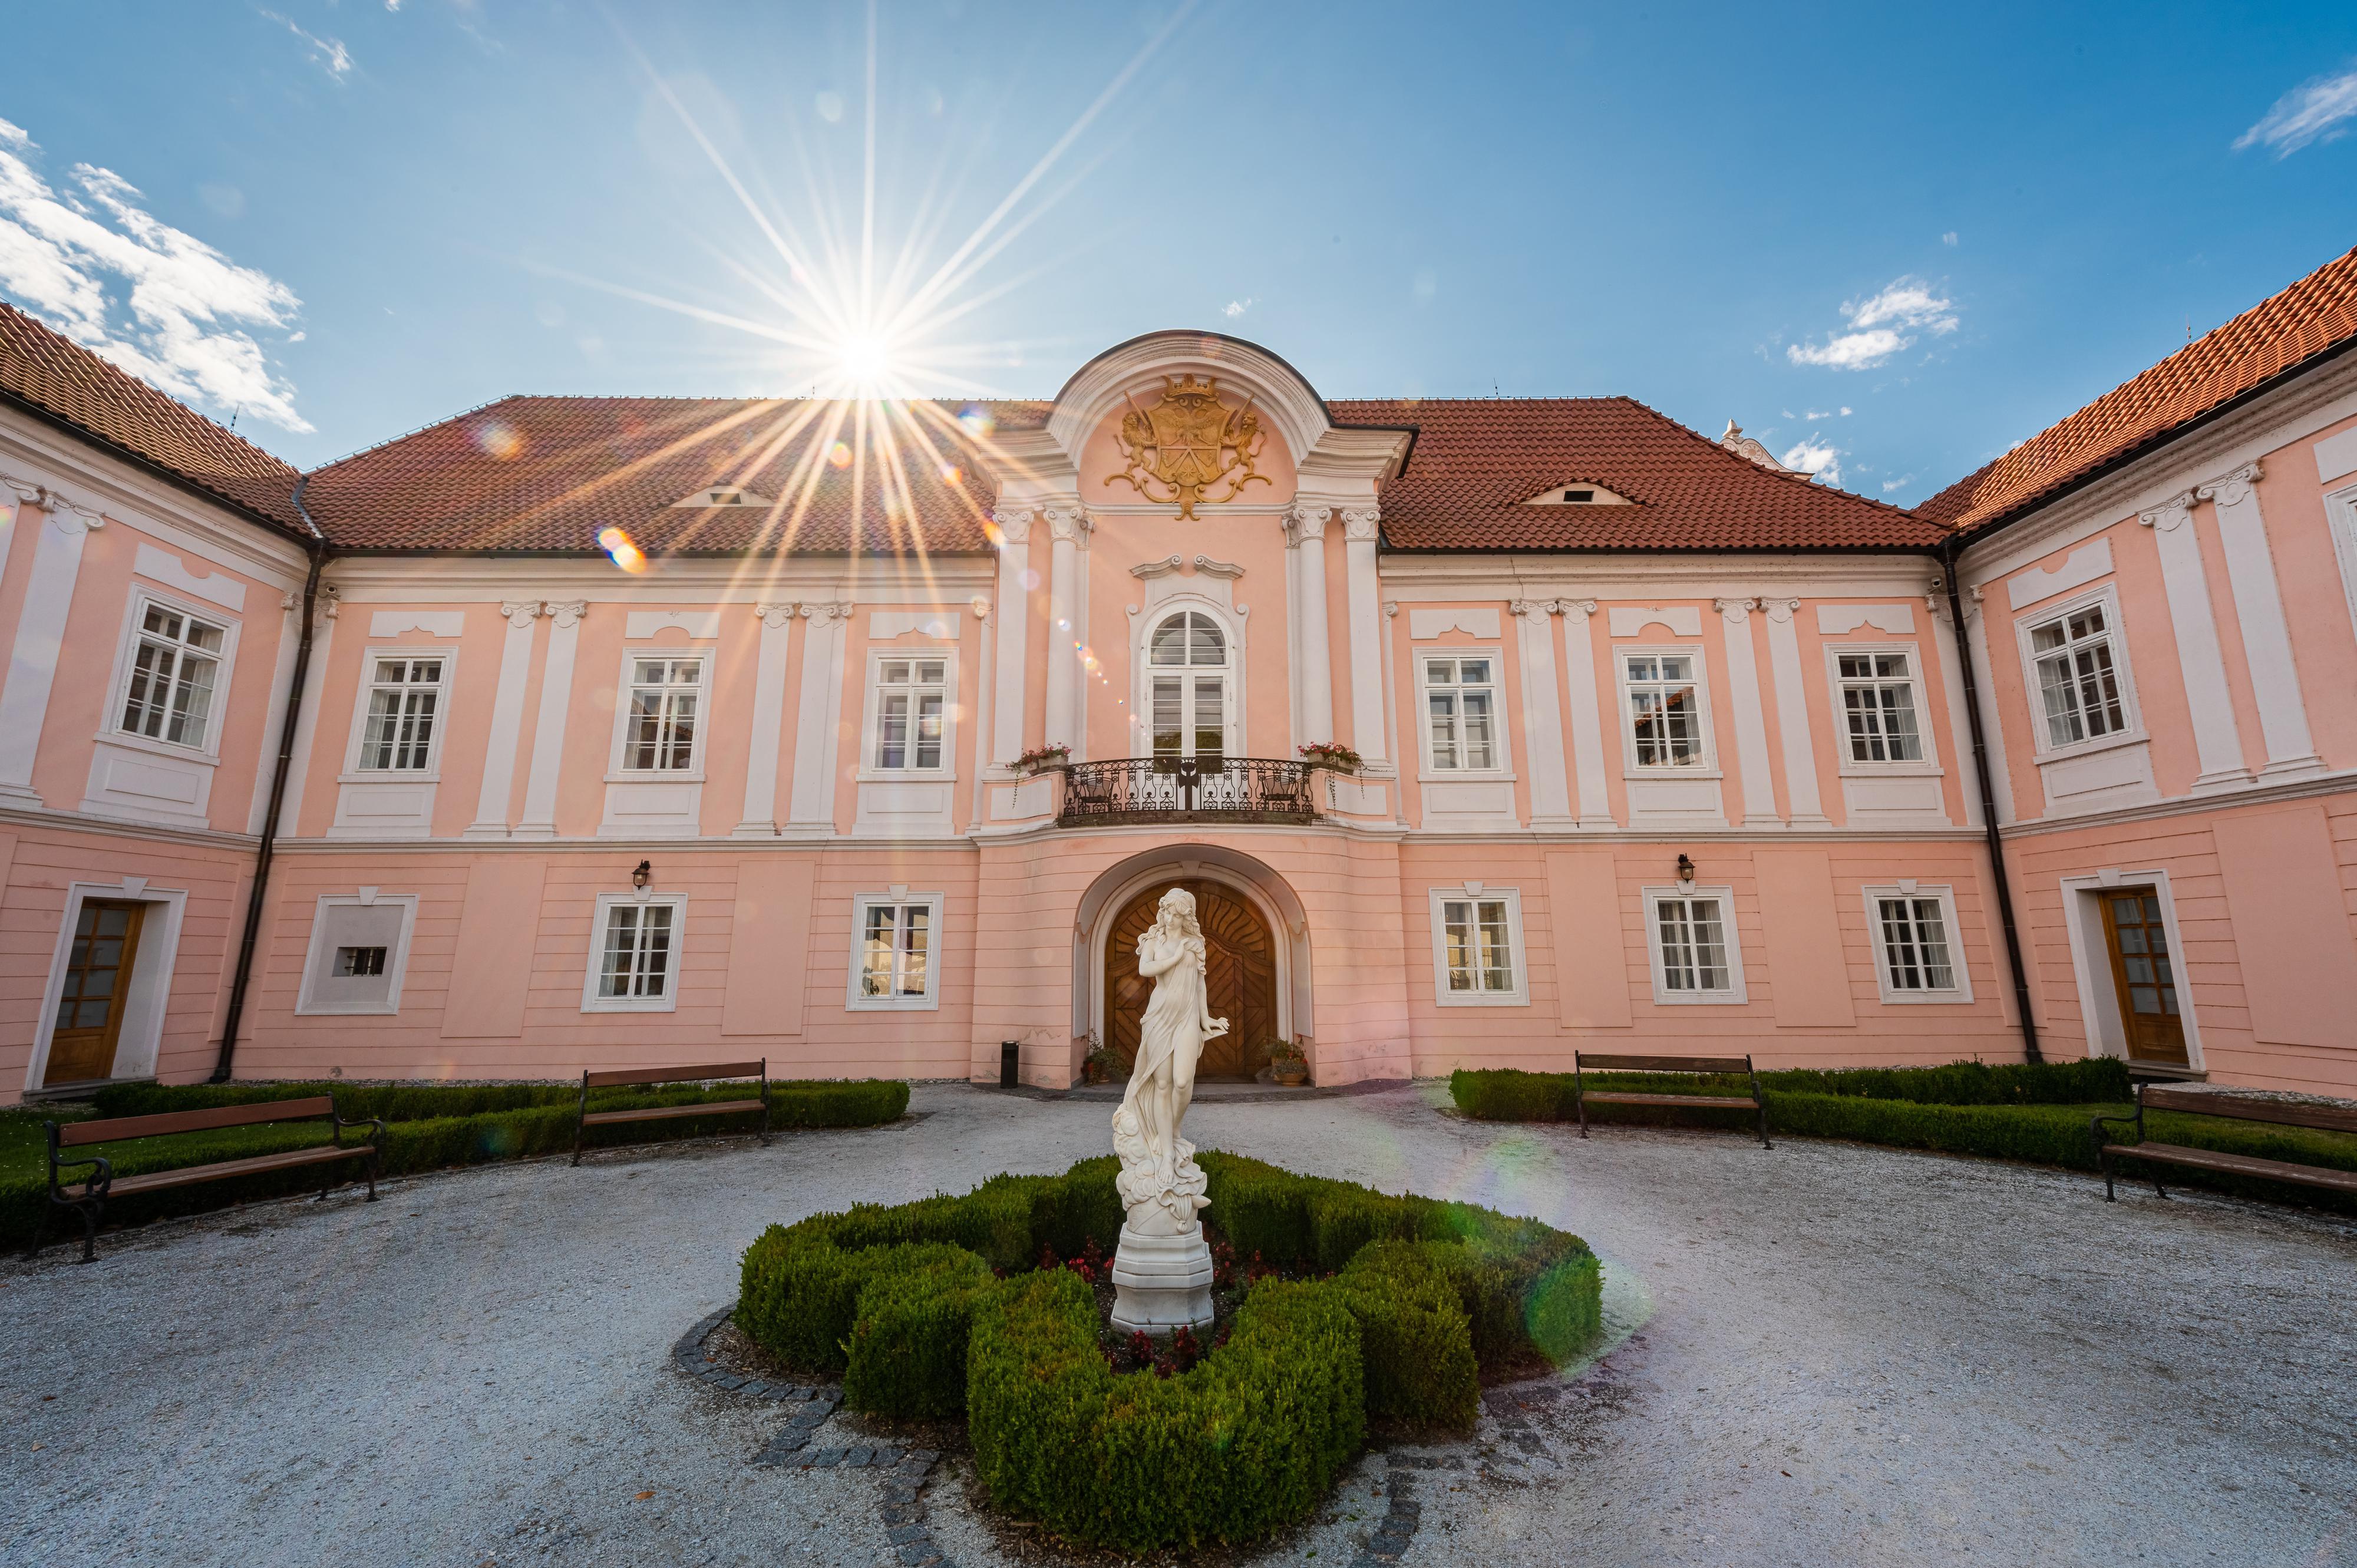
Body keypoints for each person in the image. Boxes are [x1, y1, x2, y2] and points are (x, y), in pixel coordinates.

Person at [1116, 887, 1229, 1184]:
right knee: (1163, 1084)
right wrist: (1177, 956)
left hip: (1188, 1016)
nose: (1170, 919)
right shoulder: (1153, 941)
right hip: (1159, 1018)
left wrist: (1207, 1020)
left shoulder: (1195, 944)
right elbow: (1145, 970)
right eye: (1166, 912)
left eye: (1177, 915)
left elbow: (1200, 985)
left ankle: (1173, 1129)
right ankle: (1166, 1153)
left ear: (1186, 917)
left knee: (1182, 1081)